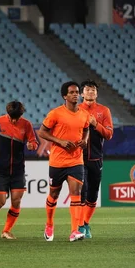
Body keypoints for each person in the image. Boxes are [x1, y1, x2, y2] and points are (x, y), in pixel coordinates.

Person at [37, 81, 90, 242]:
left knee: (76, 194)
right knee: (54, 194)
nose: (75, 94)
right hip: (58, 161)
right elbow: (42, 132)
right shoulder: (55, 113)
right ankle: (49, 224)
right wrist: (59, 141)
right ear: (64, 96)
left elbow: (86, 128)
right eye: (72, 92)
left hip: (76, 160)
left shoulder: (84, 114)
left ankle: (74, 231)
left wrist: (85, 140)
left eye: (77, 92)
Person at [0, 101, 38, 239]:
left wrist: (32, 145)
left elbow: (34, 141)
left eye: (17, 118)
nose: (14, 120)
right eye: (12, 117)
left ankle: (6, 230)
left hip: (18, 169)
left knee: (16, 201)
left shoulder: (26, 124)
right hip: (0, 169)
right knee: (0, 202)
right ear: (7, 113)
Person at [77, 80, 113, 238]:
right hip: (78, 157)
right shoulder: (76, 109)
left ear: (97, 94)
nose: (90, 92)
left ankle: (85, 223)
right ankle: (78, 225)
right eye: (87, 90)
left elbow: (109, 134)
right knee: (81, 192)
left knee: (92, 195)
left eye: (93, 90)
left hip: (96, 158)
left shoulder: (104, 111)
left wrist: (95, 124)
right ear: (81, 94)